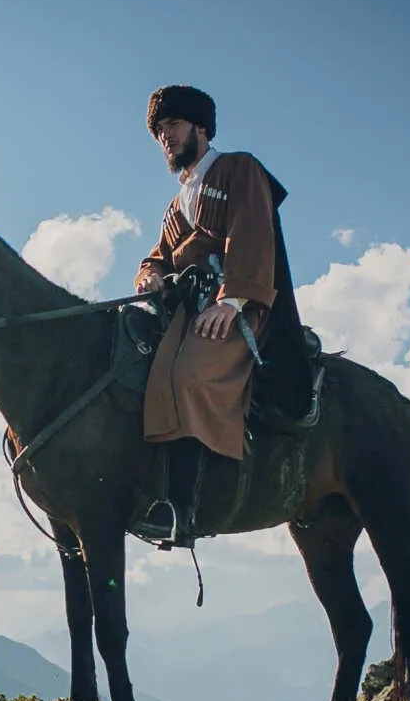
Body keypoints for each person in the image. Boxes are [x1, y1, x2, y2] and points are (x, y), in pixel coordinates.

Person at [132, 84, 309, 545]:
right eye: (159, 130)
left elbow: (251, 232)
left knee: (190, 374)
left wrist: (232, 302)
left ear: (201, 127)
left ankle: (184, 510)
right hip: (189, 313)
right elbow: (157, 256)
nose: (165, 136)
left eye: (173, 124)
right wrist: (150, 276)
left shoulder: (238, 168)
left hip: (238, 309)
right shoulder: (176, 207)